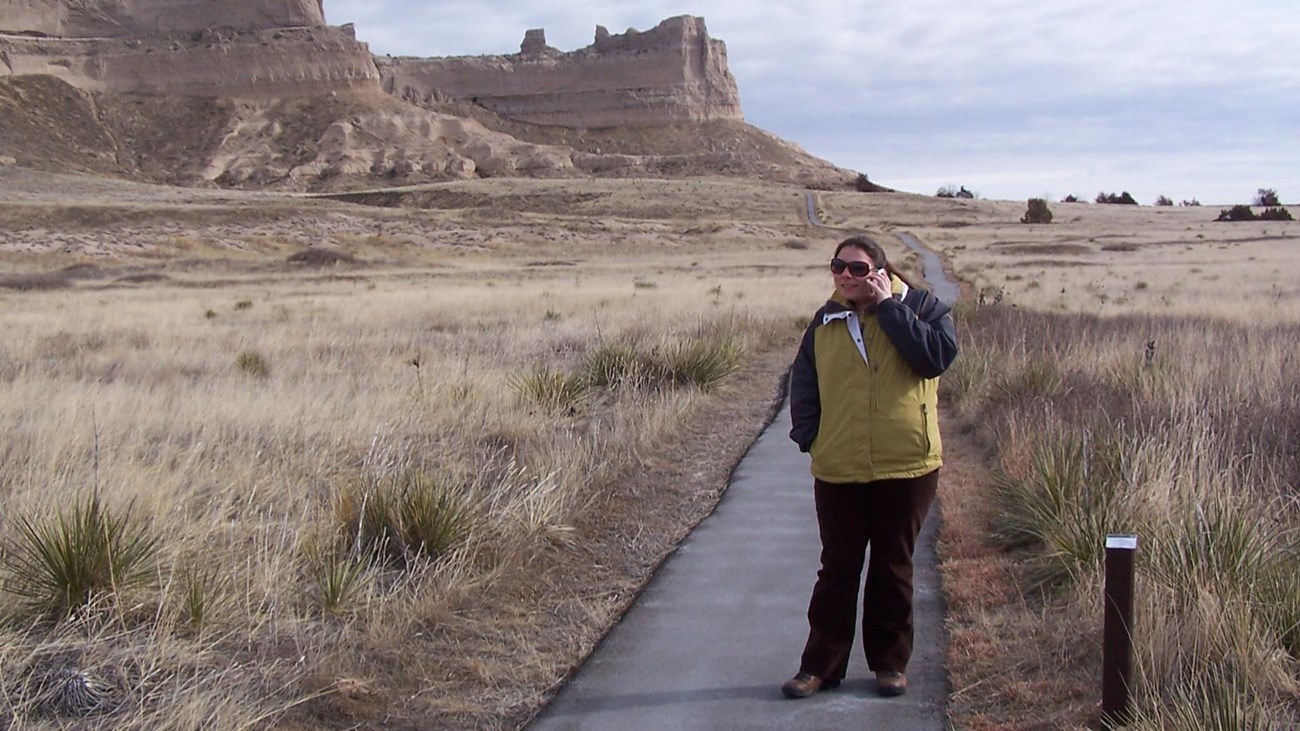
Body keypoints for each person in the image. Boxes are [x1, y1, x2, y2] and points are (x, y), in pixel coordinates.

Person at [782, 234, 959, 699]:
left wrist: (890, 309)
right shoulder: (825, 320)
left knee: (892, 567)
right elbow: (804, 379)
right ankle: (819, 666)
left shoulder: (922, 309)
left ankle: (889, 665)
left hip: (907, 465)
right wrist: (810, 436)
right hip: (839, 465)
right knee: (837, 568)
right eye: (838, 266)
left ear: (882, 271)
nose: (845, 276)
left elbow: (934, 359)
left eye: (857, 269)